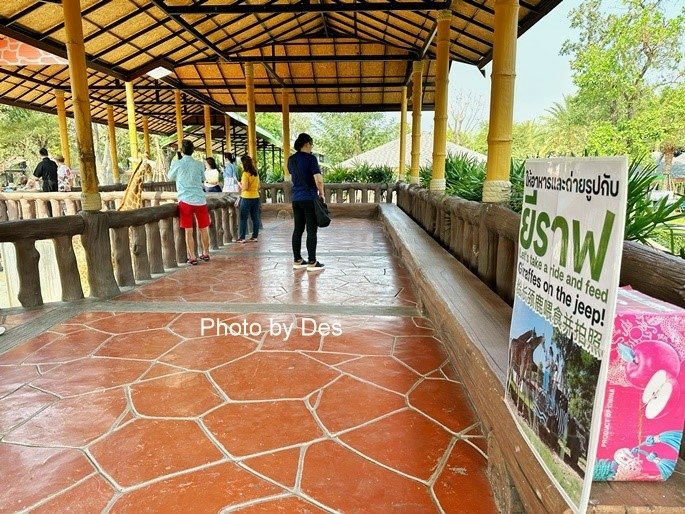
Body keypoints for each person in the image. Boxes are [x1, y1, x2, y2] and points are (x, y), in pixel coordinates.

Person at [168, 140, 211, 265]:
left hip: (185, 200)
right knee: (204, 228)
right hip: (200, 200)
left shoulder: (177, 163)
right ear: (193, 151)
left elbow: (170, 176)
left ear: (181, 150)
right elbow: (204, 179)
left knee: (189, 230)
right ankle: (206, 253)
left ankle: (192, 256)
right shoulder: (199, 164)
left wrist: (177, 161)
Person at [288, 133, 325, 271]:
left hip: (296, 199)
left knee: (298, 229)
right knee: (311, 230)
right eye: (311, 145)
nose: (311, 148)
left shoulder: (291, 159)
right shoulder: (311, 159)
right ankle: (312, 262)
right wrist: (321, 194)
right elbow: (318, 179)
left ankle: (297, 260)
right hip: (309, 198)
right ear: (306, 144)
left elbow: (294, 176)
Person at [237, 155, 260, 243]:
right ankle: (255, 236)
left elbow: (245, 187)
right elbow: (259, 186)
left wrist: (239, 184)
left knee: (243, 218)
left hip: (246, 198)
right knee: (255, 218)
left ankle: (242, 237)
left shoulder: (245, 174)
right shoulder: (256, 173)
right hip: (256, 197)